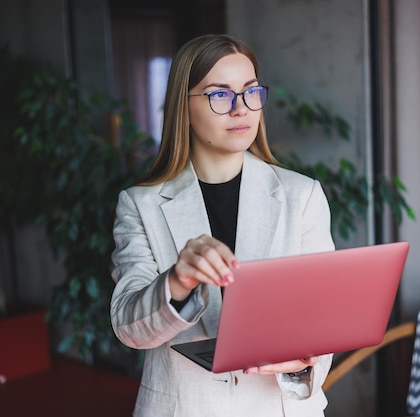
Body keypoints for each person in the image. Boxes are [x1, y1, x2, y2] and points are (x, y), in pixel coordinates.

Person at [110, 33, 336, 417]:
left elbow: (324, 320)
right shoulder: (140, 204)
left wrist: (301, 364)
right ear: (184, 105)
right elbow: (129, 327)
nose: (241, 109)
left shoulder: (303, 196)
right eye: (220, 95)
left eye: (251, 92)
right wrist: (177, 281)